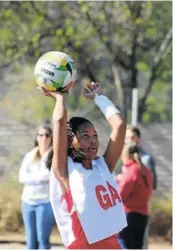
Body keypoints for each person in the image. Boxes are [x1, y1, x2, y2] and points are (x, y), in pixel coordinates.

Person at [39, 81, 127, 249]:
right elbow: (59, 122)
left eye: (95, 135)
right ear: (70, 142)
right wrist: (60, 97)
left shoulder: (103, 166)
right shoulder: (65, 172)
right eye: (85, 136)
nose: (93, 140)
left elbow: (120, 126)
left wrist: (98, 98)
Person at [19, 125, 55, 249]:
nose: (44, 138)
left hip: (45, 202)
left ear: (51, 138)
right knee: (30, 241)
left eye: (47, 135)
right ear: (37, 137)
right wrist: (39, 179)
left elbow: (49, 175)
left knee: (42, 239)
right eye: (41, 135)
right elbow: (22, 177)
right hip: (27, 202)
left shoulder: (54, 155)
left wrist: (33, 178)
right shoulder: (30, 155)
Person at [125, 125, 157, 249]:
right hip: (126, 208)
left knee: (140, 243)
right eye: (127, 138)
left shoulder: (145, 159)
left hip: (139, 207)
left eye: (132, 137)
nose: (129, 140)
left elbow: (151, 184)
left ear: (139, 139)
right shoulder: (122, 156)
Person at [117, 143, 153, 249]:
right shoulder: (145, 170)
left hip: (129, 214)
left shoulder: (131, 171)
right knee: (137, 246)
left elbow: (121, 194)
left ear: (126, 156)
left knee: (124, 243)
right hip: (143, 215)